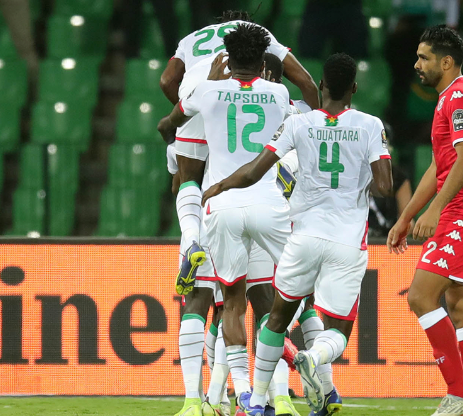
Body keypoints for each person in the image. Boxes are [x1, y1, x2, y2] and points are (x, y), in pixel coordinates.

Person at [201, 52, 393, 416]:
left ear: (321, 86)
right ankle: (313, 358)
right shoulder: (370, 125)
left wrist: (220, 186)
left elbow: (255, 171)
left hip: (301, 237)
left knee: (274, 317)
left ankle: (256, 400)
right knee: (338, 328)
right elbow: (384, 187)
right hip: (346, 242)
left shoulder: (299, 124)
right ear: (354, 88)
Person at [158, 24, 304, 416]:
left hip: (215, 207)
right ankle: (281, 393)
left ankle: (209, 399)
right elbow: (304, 89)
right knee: (281, 299)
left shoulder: (202, 93)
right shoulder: (279, 95)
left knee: (218, 303)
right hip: (271, 206)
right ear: (262, 62)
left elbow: (180, 167)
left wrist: (174, 123)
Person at [387, 25, 463, 416]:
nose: (417, 64)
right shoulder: (449, 98)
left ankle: (459, 392)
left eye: (424, 57)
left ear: (446, 61)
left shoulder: (461, 97)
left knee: (420, 295)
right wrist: (406, 215)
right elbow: (440, 165)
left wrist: (435, 210)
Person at [166, 144, 231, 416]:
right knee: (230, 308)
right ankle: (219, 398)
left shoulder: (184, 133)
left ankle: (192, 401)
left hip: (199, 219)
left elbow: (178, 184)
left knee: (194, 307)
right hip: (234, 216)